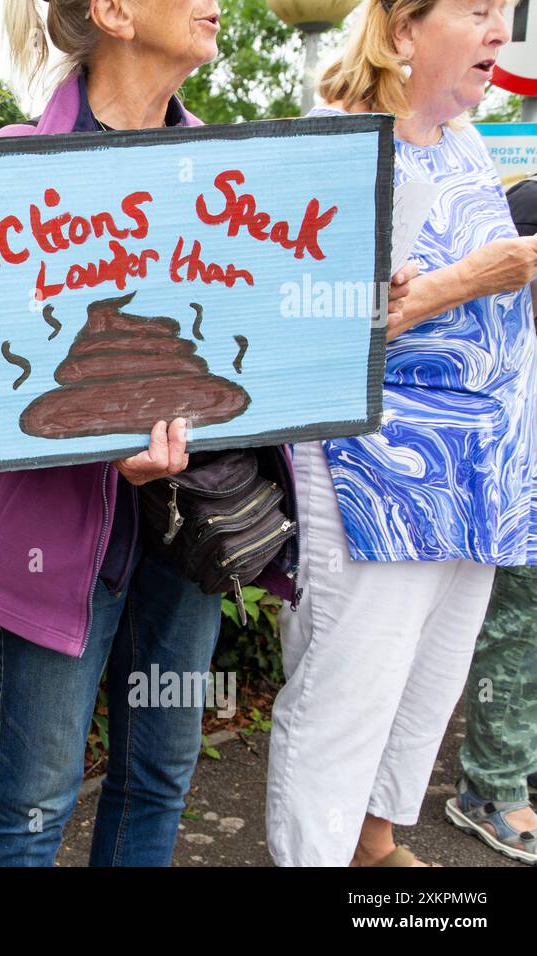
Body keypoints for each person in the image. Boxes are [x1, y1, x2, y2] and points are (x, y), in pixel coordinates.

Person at [0, 0, 413, 868]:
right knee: (35, 796)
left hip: (197, 524)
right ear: (114, 11)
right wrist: (92, 443)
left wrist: (363, 310)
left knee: (161, 773)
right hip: (56, 540)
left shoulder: (240, 177)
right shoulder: (6, 171)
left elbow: (273, 342)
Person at [267, 0, 537, 867]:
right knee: (348, 687)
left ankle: (374, 846)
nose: (502, 31)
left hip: (475, 471)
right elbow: (306, 321)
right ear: (405, 30)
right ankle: (315, 855)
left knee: (426, 681)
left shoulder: (460, 139)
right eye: (479, 10)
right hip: (377, 470)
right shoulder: (336, 143)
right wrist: (482, 274)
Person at [443, 175, 537, 865]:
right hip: (514, 462)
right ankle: (490, 787)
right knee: (516, 630)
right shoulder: (525, 200)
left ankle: (518, 771)